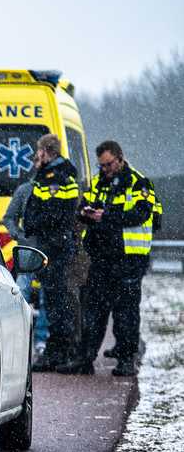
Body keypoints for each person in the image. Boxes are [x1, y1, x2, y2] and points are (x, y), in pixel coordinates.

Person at [59, 141, 158, 376]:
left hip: (129, 259)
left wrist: (107, 215)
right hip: (101, 257)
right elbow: (83, 206)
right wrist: (85, 213)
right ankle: (85, 359)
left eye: (109, 164)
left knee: (125, 312)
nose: (105, 169)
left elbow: (141, 214)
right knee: (93, 310)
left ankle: (126, 360)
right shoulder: (98, 182)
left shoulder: (138, 182)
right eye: (101, 165)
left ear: (120, 158)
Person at [22, 134, 81, 371]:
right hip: (48, 245)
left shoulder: (62, 177)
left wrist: (37, 223)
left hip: (56, 247)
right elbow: (37, 208)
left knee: (58, 303)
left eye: (39, 151)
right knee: (51, 300)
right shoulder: (45, 175)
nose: (37, 156)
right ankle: (55, 352)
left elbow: (59, 214)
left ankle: (61, 351)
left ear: (47, 151)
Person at [3, 176, 49, 353]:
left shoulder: (58, 189)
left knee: (46, 298)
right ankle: (14, 338)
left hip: (49, 250)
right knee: (20, 295)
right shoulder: (25, 190)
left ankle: (41, 339)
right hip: (28, 252)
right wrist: (19, 236)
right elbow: (9, 217)